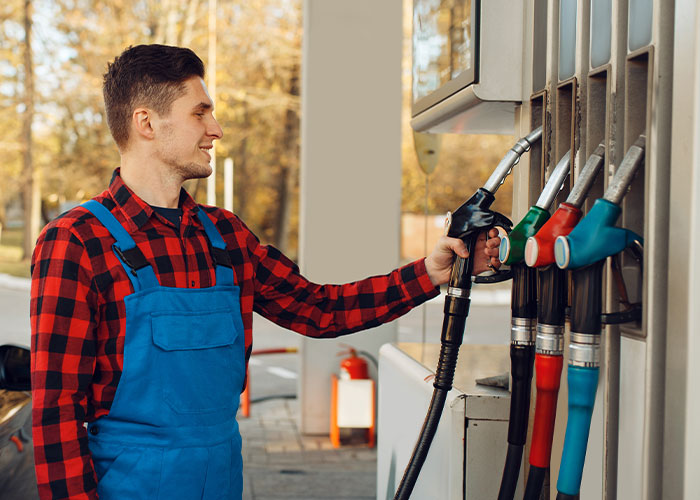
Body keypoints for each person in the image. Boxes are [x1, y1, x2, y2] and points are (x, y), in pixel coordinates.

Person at [30, 44, 501, 500]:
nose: (215, 128)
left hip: (222, 477)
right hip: (127, 484)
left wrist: (430, 272)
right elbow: (56, 412)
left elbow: (321, 310)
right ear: (146, 123)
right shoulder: (77, 242)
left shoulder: (225, 237)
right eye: (200, 112)